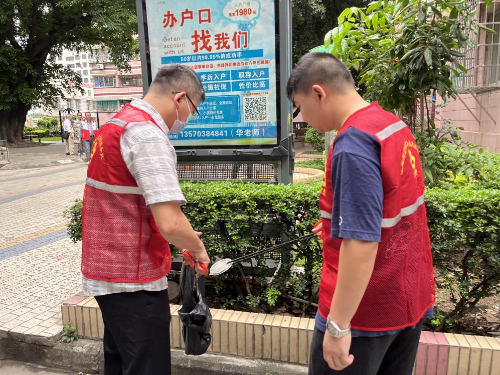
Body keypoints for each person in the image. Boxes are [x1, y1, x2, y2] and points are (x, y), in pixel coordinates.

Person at [286, 52, 435, 375]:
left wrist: (338, 328)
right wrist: (337, 224)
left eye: (299, 108)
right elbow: (389, 211)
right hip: (406, 299)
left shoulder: (353, 143)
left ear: (318, 93)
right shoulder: (390, 125)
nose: (302, 118)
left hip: (364, 314)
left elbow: (362, 244)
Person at [80, 64, 210, 375]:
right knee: (147, 366)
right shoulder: (147, 135)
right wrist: (198, 249)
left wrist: (183, 237)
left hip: (109, 272)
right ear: (179, 98)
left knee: (121, 359)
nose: (189, 119)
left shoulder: (117, 125)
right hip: (133, 278)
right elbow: (170, 222)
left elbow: (129, 202)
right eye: (193, 109)